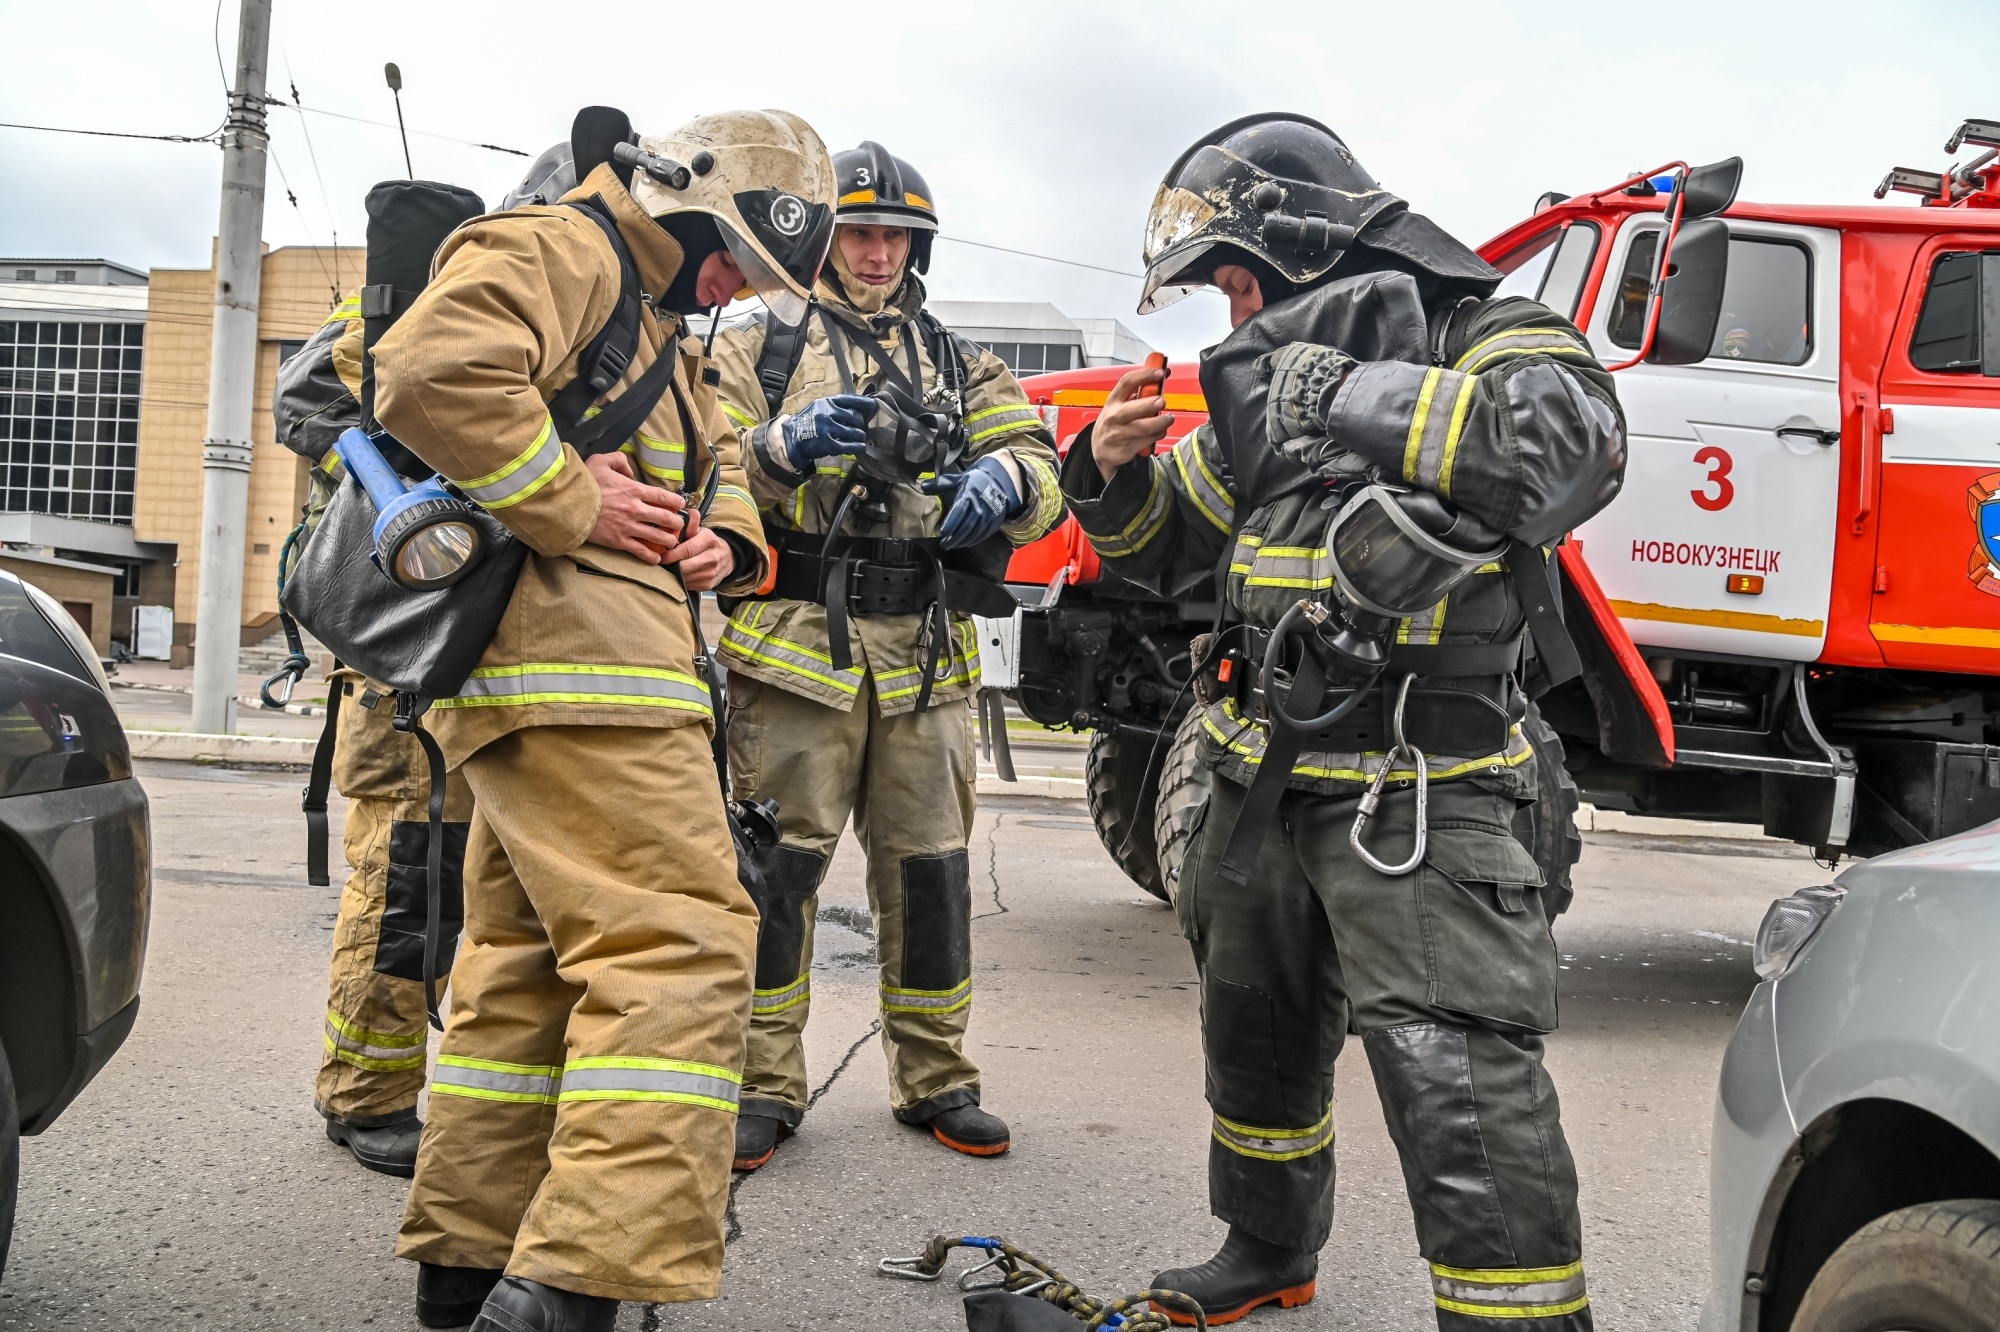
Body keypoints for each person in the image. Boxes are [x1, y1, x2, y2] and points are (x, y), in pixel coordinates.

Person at [1062, 114, 1625, 1329]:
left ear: (1298, 240)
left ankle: (1516, 1319)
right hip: (1254, 771)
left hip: (1429, 787)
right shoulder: (1264, 391)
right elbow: (1170, 549)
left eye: (1231, 280)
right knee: (1253, 1034)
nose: (1229, 316)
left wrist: (1359, 395)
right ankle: (1267, 1247)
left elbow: (1568, 446)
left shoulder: (1484, 327)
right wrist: (1105, 478)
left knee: (1458, 1081)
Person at [371, 109, 835, 1331]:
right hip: (585, 671)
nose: (740, 288)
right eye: (736, 253)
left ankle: (467, 1267)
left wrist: (718, 536)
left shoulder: (655, 322)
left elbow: (715, 455)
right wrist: (568, 499)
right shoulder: (570, 249)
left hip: (566, 677)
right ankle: (574, 1288)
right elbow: (427, 372)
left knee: (525, 969)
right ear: (688, 199)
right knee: (678, 947)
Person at [708, 141, 1066, 1170]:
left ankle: (936, 1075)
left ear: (918, 245)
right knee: (778, 877)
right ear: (825, 239)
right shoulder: (754, 347)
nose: (876, 251)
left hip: (924, 660)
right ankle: (762, 1084)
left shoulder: (959, 360)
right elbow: (699, 458)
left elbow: (1037, 462)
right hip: (790, 652)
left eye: (895, 235)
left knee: (931, 878)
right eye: (859, 231)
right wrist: (780, 447)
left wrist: (1002, 478)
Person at [272, 290, 477, 1180]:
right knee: (404, 893)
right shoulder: (408, 311)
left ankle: (395, 1088)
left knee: (449, 897)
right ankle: (366, 1095)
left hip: (470, 663)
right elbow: (310, 392)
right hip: (403, 671)